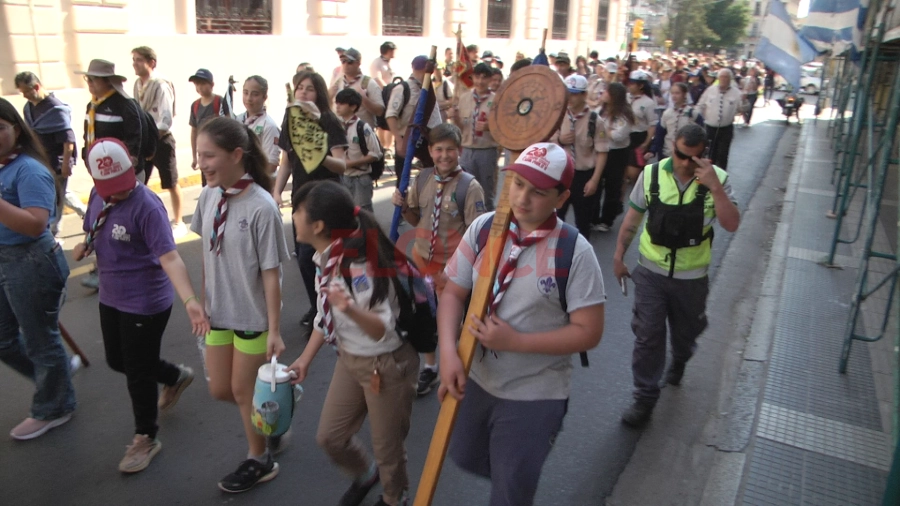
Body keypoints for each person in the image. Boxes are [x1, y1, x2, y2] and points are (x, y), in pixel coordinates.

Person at [439, 143, 606, 506]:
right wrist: (449, 354)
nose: (522, 198)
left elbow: (589, 332)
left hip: (534, 392)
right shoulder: (485, 228)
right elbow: (452, 293)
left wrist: (515, 341)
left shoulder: (574, 253)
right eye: (517, 185)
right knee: (467, 456)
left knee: (511, 489)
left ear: (561, 197)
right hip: (478, 377)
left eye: (538, 192)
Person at [72, 138, 208, 473]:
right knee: (118, 360)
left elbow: (170, 257)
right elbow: (95, 226)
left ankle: (146, 436)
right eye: (108, 188)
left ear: (132, 168)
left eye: (121, 185)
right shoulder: (97, 196)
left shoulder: (146, 206)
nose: (115, 194)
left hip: (146, 301)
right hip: (111, 294)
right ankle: (174, 375)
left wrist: (190, 300)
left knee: (136, 370)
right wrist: (85, 245)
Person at [288, 181, 418, 506]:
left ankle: (394, 498)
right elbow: (325, 315)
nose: (293, 216)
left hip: (386, 363)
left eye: (298, 211)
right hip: (351, 357)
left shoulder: (357, 265)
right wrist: (304, 359)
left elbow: (382, 330)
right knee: (331, 437)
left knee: (388, 448)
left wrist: (350, 309)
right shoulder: (327, 257)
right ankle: (365, 472)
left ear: (318, 225)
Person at [613, 124, 739, 427]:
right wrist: (618, 256)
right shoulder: (652, 174)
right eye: (681, 155)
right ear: (673, 147)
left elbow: (731, 224)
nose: (685, 163)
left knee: (686, 333)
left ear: (703, 154)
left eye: (693, 158)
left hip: (691, 278)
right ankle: (644, 397)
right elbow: (632, 218)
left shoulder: (718, 180)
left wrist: (714, 187)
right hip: (651, 274)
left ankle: (681, 356)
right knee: (648, 336)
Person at [192, 116, 291, 492]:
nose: (201, 163)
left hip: (253, 316)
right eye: (199, 155)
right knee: (220, 389)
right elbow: (206, 254)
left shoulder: (261, 207)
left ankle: (260, 459)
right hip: (218, 313)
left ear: (236, 154)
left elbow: (271, 274)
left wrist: (276, 330)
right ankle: (271, 417)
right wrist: (202, 302)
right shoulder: (207, 195)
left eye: (209, 155)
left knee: (241, 390)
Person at [391, 123, 486, 397]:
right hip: (422, 261)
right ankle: (431, 367)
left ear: (460, 151)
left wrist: (458, 270)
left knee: (448, 318)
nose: (445, 155)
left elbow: (477, 234)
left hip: (452, 268)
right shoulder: (422, 179)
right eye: (439, 150)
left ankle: (457, 361)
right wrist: (404, 207)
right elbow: (415, 219)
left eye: (450, 150)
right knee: (425, 316)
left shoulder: (470, 187)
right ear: (431, 151)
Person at [0, 97, 75, 441]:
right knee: (4, 340)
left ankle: (54, 406)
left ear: (15, 129)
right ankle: (55, 379)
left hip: (31, 260)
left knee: (40, 340)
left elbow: (34, 224)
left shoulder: (29, 169)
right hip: (6, 259)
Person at [274, 71, 348, 331]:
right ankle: (318, 304)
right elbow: (286, 163)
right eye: (300, 88)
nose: (304, 93)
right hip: (300, 200)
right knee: (305, 259)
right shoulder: (291, 119)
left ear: (319, 93)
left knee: (324, 257)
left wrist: (320, 156)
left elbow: (341, 165)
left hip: (326, 198)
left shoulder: (329, 121)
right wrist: (276, 193)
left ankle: (336, 307)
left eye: (309, 89)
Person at [75, 59, 143, 290]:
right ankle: (104, 265)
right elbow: (88, 136)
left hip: (122, 174)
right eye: (88, 79)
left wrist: (126, 169)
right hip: (100, 173)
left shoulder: (125, 104)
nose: (89, 84)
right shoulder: (92, 105)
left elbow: (135, 138)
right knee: (105, 216)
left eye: (92, 79)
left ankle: (131, 262)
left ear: (107, 81)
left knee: (124, 218)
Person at [14, 71, 87, 240]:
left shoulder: (55, 109)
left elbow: (68, 140)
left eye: (26, 91)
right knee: (62, 192)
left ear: (37, 87)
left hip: (57, 160)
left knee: (55, 196)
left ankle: (54, 231)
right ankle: (87, 214)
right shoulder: (29, 108)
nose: (24, 95)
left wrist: (66, 163)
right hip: (39, 159)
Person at [131, 46, 184, 237]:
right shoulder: (137, 85)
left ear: (151, 63)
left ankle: (178, 221)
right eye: (134, 59)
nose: (134, 64)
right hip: (144, 140)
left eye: (139, 60)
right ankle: (140, 220)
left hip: (161, 139)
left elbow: (166, 117)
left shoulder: (161, 85)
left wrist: (153, 136)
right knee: (138, 182)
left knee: (170, 181)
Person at [551, 75, 608, 239]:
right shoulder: (558, 115)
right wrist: (560, 140)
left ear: (584, 95)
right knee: (555, 217)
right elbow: (548, 142)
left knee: (583, 222)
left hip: (583, 175)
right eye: (568, 93)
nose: (570, 97)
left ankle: (581, 257)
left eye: (575, 94)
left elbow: (602, 152)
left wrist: (595, 180)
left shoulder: (595, 120)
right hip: (561, 173)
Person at [385, 56, 443, 175]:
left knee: (434, 175)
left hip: (428, 138)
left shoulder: (428, 88)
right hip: (407, 138)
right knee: (403, 178)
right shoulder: (403, 88)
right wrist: (399, 140)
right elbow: (391, 115)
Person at [453, 62, 498, 211]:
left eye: (484, 78)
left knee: (485, 190)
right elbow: (461, 126)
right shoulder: (464, 98)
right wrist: (455, 119)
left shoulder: (497, 100)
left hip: (487, 150)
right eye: (477, 77)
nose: (480, 81)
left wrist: (489, 127)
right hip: (466, 150)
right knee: (467, 188)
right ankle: (469, 222)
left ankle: (487, 223)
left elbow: (503, 127)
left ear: (490, 79)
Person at [592, 83, 634, 233]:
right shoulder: (600, 110)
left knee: (612, 186)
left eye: (606, 91)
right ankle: (593, 216)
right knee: (595, 184)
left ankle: (607, 219)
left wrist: (603, 129)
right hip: (599, 150)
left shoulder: (624, 115)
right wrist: (606, 129)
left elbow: (618, 135)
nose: (603, 93)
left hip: (616, 153)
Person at [335, 88, 381, 212]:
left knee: (364, 213)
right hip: (343, 177)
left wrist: (352, 163)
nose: (337, 106)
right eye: (337, 103)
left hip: (360, 178)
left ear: (353, 106)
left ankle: (370, 233)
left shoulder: (362, 127)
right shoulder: (337, 127)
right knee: (346, 213)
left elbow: (376, 153)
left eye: (341, 103)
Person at [188, 68, 231, 185]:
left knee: (221, 182)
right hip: (204, 152)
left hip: (218, 152)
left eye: (203, 84)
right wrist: (194, 156)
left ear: (212, 85)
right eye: (197, 84)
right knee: (207, 184)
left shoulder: (220, 101)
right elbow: (194, 132)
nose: (200, 87)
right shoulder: (195, 106)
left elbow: (229, 125)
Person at [236, 76, 282, 178]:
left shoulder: (269, 126)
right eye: (245, 92)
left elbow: (272, 164)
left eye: (255, 94)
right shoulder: (237, 120)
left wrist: (249, 177)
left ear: (264, 97)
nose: (249, 98)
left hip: (259, 183)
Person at [329, 48, 386, 129]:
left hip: (361, 134)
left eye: (349, 62)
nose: (345, 65)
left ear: (358, 63)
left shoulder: (368, 83)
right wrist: (329, 97)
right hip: (339, 132)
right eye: (343, 61)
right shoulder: (338, 82)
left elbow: (380, 111)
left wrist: (364, 99)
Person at [696, 69, 741, 170]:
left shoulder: (736, 93)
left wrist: (745, 100)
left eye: (726, 77)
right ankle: (705, 175)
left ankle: (720, 177)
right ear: (718, 78)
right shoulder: (710, 90)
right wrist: (697, 118)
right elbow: (700, 105)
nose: (724, 79)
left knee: (723, 155)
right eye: (722, 77)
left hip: (726, 129)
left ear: (730, 79)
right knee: (708, 153)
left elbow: (743, 108)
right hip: (710, 127)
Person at [625, 70, 658, 183]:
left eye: (633, 83)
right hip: (623, 135)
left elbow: (652, 124)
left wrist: (646, 143)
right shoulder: (626, 97)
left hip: (638, 138)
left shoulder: (648, 103)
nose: (630, 85)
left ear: (641, 85)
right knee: (623, 172)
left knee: (633, 173)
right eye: (630, 82)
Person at [659, 83, 701, 158]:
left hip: (685, 153)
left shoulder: (693, 113)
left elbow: (700, 134)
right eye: (672, 93)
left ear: (684, 94)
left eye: (677, 93)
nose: (674, 96)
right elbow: (660, 133)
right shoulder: (667, 113)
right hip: (668, 152)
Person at [371, 41, 396, 156]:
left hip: (392, 93)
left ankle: (389, 146)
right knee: (381, 121)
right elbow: (377, 79)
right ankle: (382, 146)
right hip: (381, 94)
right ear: (388, 51)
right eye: (393, 50)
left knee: (392, 117)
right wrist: (387, 90)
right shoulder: (377, 63)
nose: (394, 52)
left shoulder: (392, 63)